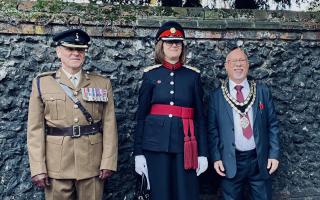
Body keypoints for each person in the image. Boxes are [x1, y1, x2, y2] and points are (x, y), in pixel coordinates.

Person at [27, 29, 118, 200]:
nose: (76, 53)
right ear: (58, 51)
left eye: (81, 49)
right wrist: (38, 168)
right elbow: (35, 130)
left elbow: (109, 125)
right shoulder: (42, 83)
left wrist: (108, 161)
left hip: (92, 164)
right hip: (57, 165)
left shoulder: (102, 83)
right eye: (70, 49)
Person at [134, 21, 208, 200]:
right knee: (160, 194)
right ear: (161, 46)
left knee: (186, 194)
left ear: (183, 47)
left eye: (178, 42)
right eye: (169, 42)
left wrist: (203, 154)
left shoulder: (193, 76)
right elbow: (141, 117)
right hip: (155, 146)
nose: (174, 45)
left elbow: (200, 118)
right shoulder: (150, 75)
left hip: (186, 147)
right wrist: (138, 153)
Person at [207, 47, 280, 200]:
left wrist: (274, 154)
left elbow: (272, 124)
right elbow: (212, 130)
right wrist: (216, 158)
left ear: (248, 65)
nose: (238, 65)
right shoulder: (217, 96)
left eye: (242, 61)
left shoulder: (262, 92)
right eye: (234, 61)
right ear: (226, 66)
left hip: (259, 160)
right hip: (230, 160)